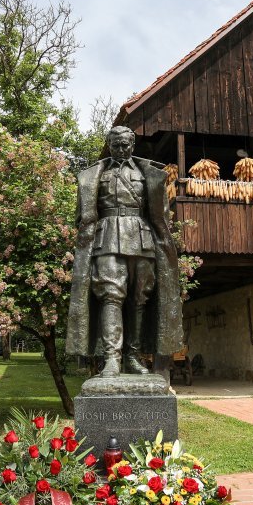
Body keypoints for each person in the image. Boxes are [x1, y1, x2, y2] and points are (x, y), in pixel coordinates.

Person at [65, 126, 184, 377]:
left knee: (139, 299)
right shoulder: (94, 175)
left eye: (125, 145)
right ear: (109, 145)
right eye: (115, 145)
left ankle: (132, 356)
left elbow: (160, 215)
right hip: (106, 237)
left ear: (132, 146)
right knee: (110, 295)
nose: (120, 149)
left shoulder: (148, 173)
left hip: (141, 239)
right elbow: (82, 216)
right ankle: (111, 358)